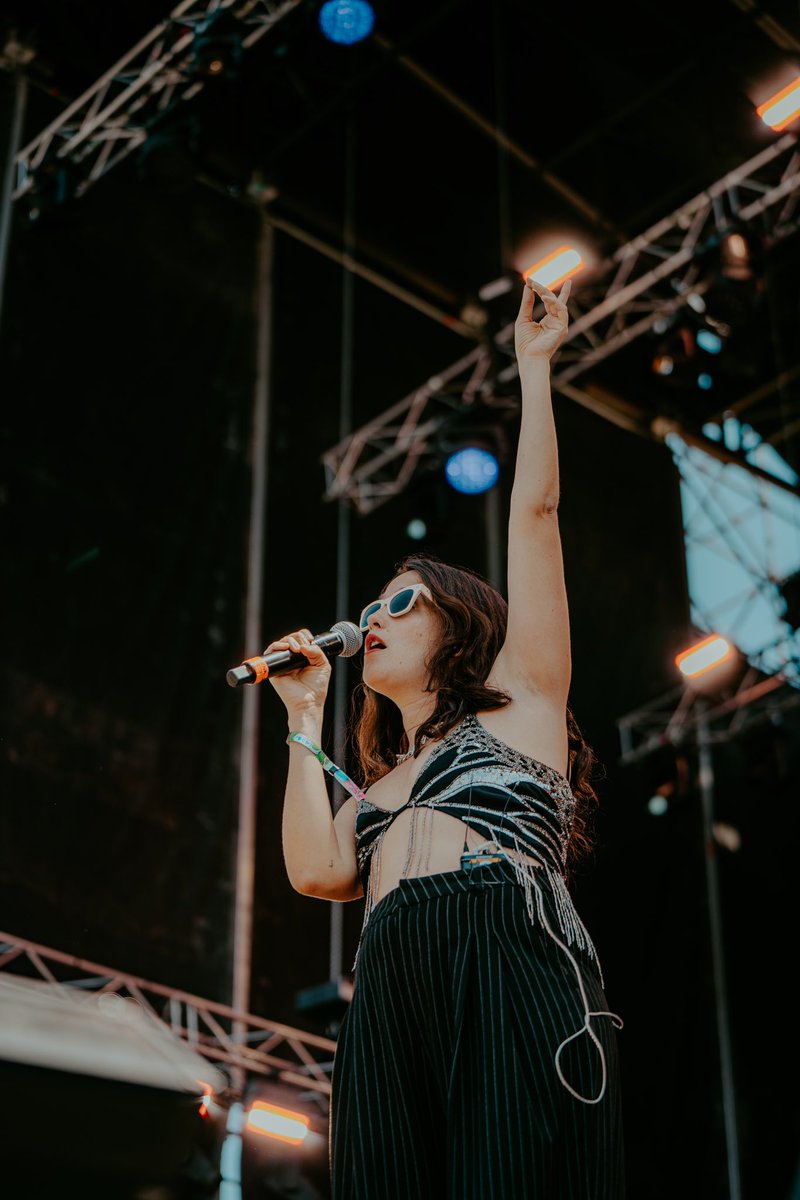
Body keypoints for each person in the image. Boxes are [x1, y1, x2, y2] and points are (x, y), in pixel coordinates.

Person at [268, 276, 624, 1198]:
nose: (373, 619)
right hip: (390, 967)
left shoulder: (525, 702)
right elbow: (316, 873)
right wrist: (304, 714)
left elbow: (535, 517)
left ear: (461, 627)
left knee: (507, 1171)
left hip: (501, 933)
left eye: (400, 603)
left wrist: (534, 371)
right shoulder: (382, 786)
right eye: (369, 607)